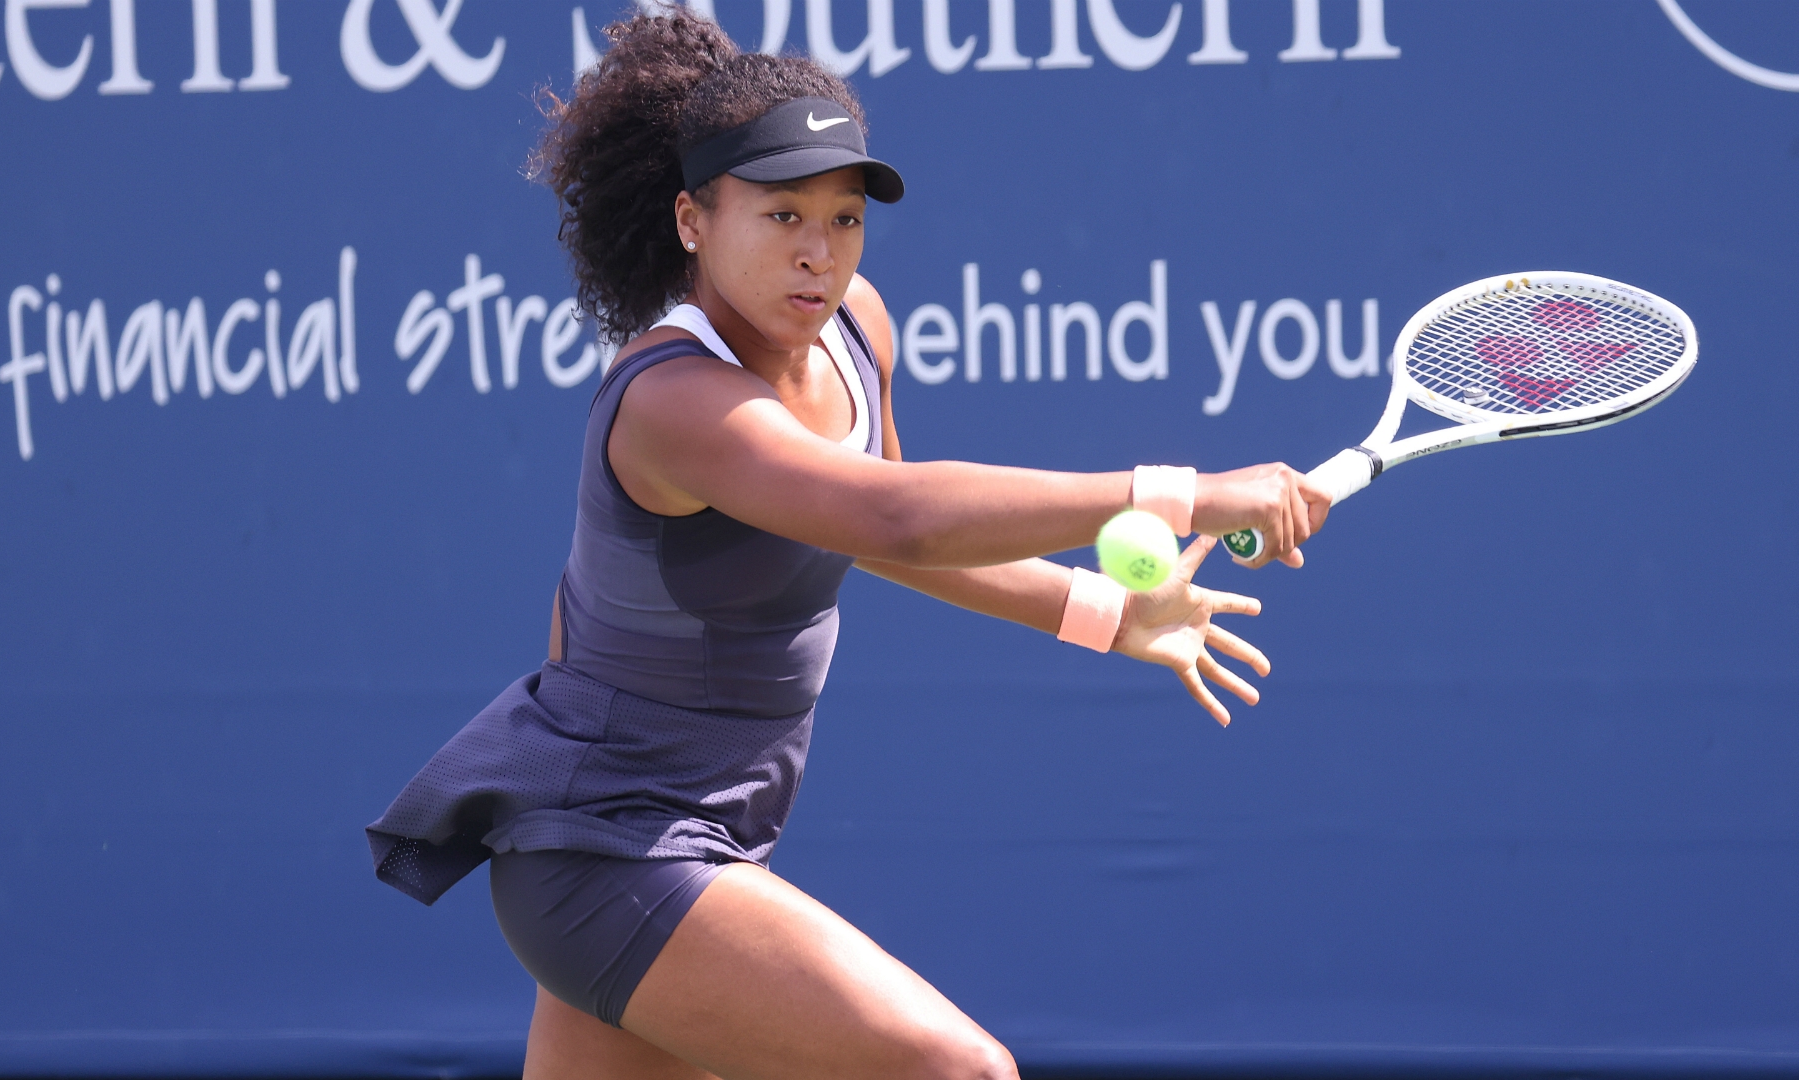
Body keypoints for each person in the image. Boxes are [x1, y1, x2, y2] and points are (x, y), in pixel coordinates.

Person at [367, 10, 1329, 1079]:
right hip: (611, 852)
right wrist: (1183, 491)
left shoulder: (857, 327)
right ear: (692, 219)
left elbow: (887, 541)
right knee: (958, 1071)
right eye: (782, 216)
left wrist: (1105, 612)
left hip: (676, 840)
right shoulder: (674, 401)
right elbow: (895, 513)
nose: (819, 254)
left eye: (843, 219)